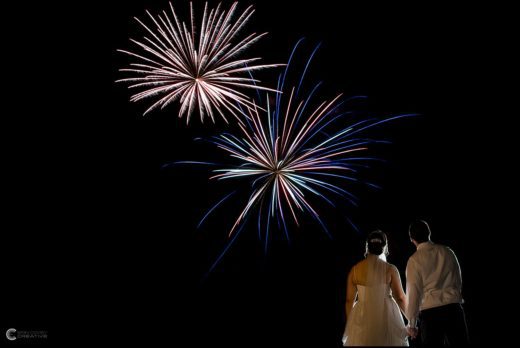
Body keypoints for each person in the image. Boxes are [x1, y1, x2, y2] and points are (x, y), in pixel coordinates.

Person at [406, 219, 469, 347]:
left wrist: (412, 324)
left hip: (431, 315)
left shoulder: (414, 260)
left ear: (411, 239)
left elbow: (414, 294)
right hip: (454, 309)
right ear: (429, 233)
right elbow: (458, 281)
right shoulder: (448, 252)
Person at [343, 230, 409, 346]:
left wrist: (351, 323)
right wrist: (411, 319)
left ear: (367, 246)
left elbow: (349, 300)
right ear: (384, 246)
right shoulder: (390, 269)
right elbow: (399, 297)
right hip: (387, 314)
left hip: (362, 314)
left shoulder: (354, 270)